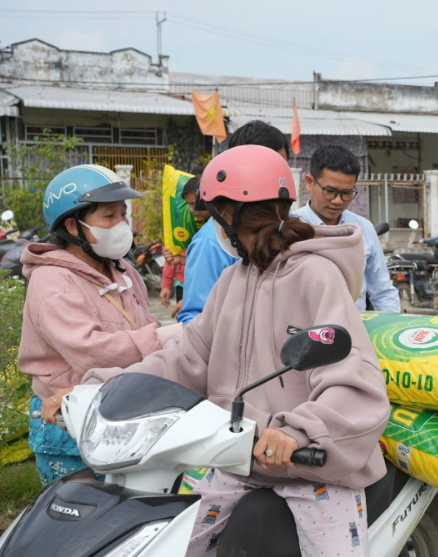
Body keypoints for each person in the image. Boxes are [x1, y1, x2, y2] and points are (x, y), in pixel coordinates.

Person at [47, 146, 390, 556]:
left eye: (214, 216)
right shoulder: (235, 278)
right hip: (238, 464)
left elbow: (353, 380)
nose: (213, 228)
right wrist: (103, 391)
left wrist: (298, 431)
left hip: (312, 471)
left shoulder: (316, 276)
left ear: (233, 214)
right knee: (174, 544)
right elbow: (186, 358)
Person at [18, 164, 183, 485]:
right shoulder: (52, 281)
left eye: (123, 214)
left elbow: (142, 324)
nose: (122, 224)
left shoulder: (122, 271)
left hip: (121, 403)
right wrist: (163, 337)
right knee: (78, 520)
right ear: (73, 226)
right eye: (109, 217)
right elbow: (94, 353)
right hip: (67, 418)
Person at [178, 121, 290, 324]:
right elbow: (194, 320)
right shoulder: (212, 243)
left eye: (283, 167)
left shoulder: (288, 230)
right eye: (269, 168)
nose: (280, 178)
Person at [294, 145, 400, 313]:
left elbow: (382, 291)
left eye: (347, 193)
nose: (337, 201)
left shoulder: (363, 228)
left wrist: (391, 327)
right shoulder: (291, 228)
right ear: (309, 182)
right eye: (330, 191)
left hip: (355, 329)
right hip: (305, 332)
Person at [162, 175, 210, 317]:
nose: (192, 209)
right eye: (188, 204)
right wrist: (180, 262)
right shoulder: (189, 226)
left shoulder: (216, 232)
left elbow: (212, 272)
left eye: (195, 203)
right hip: (186, 284)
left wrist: (191, 300)